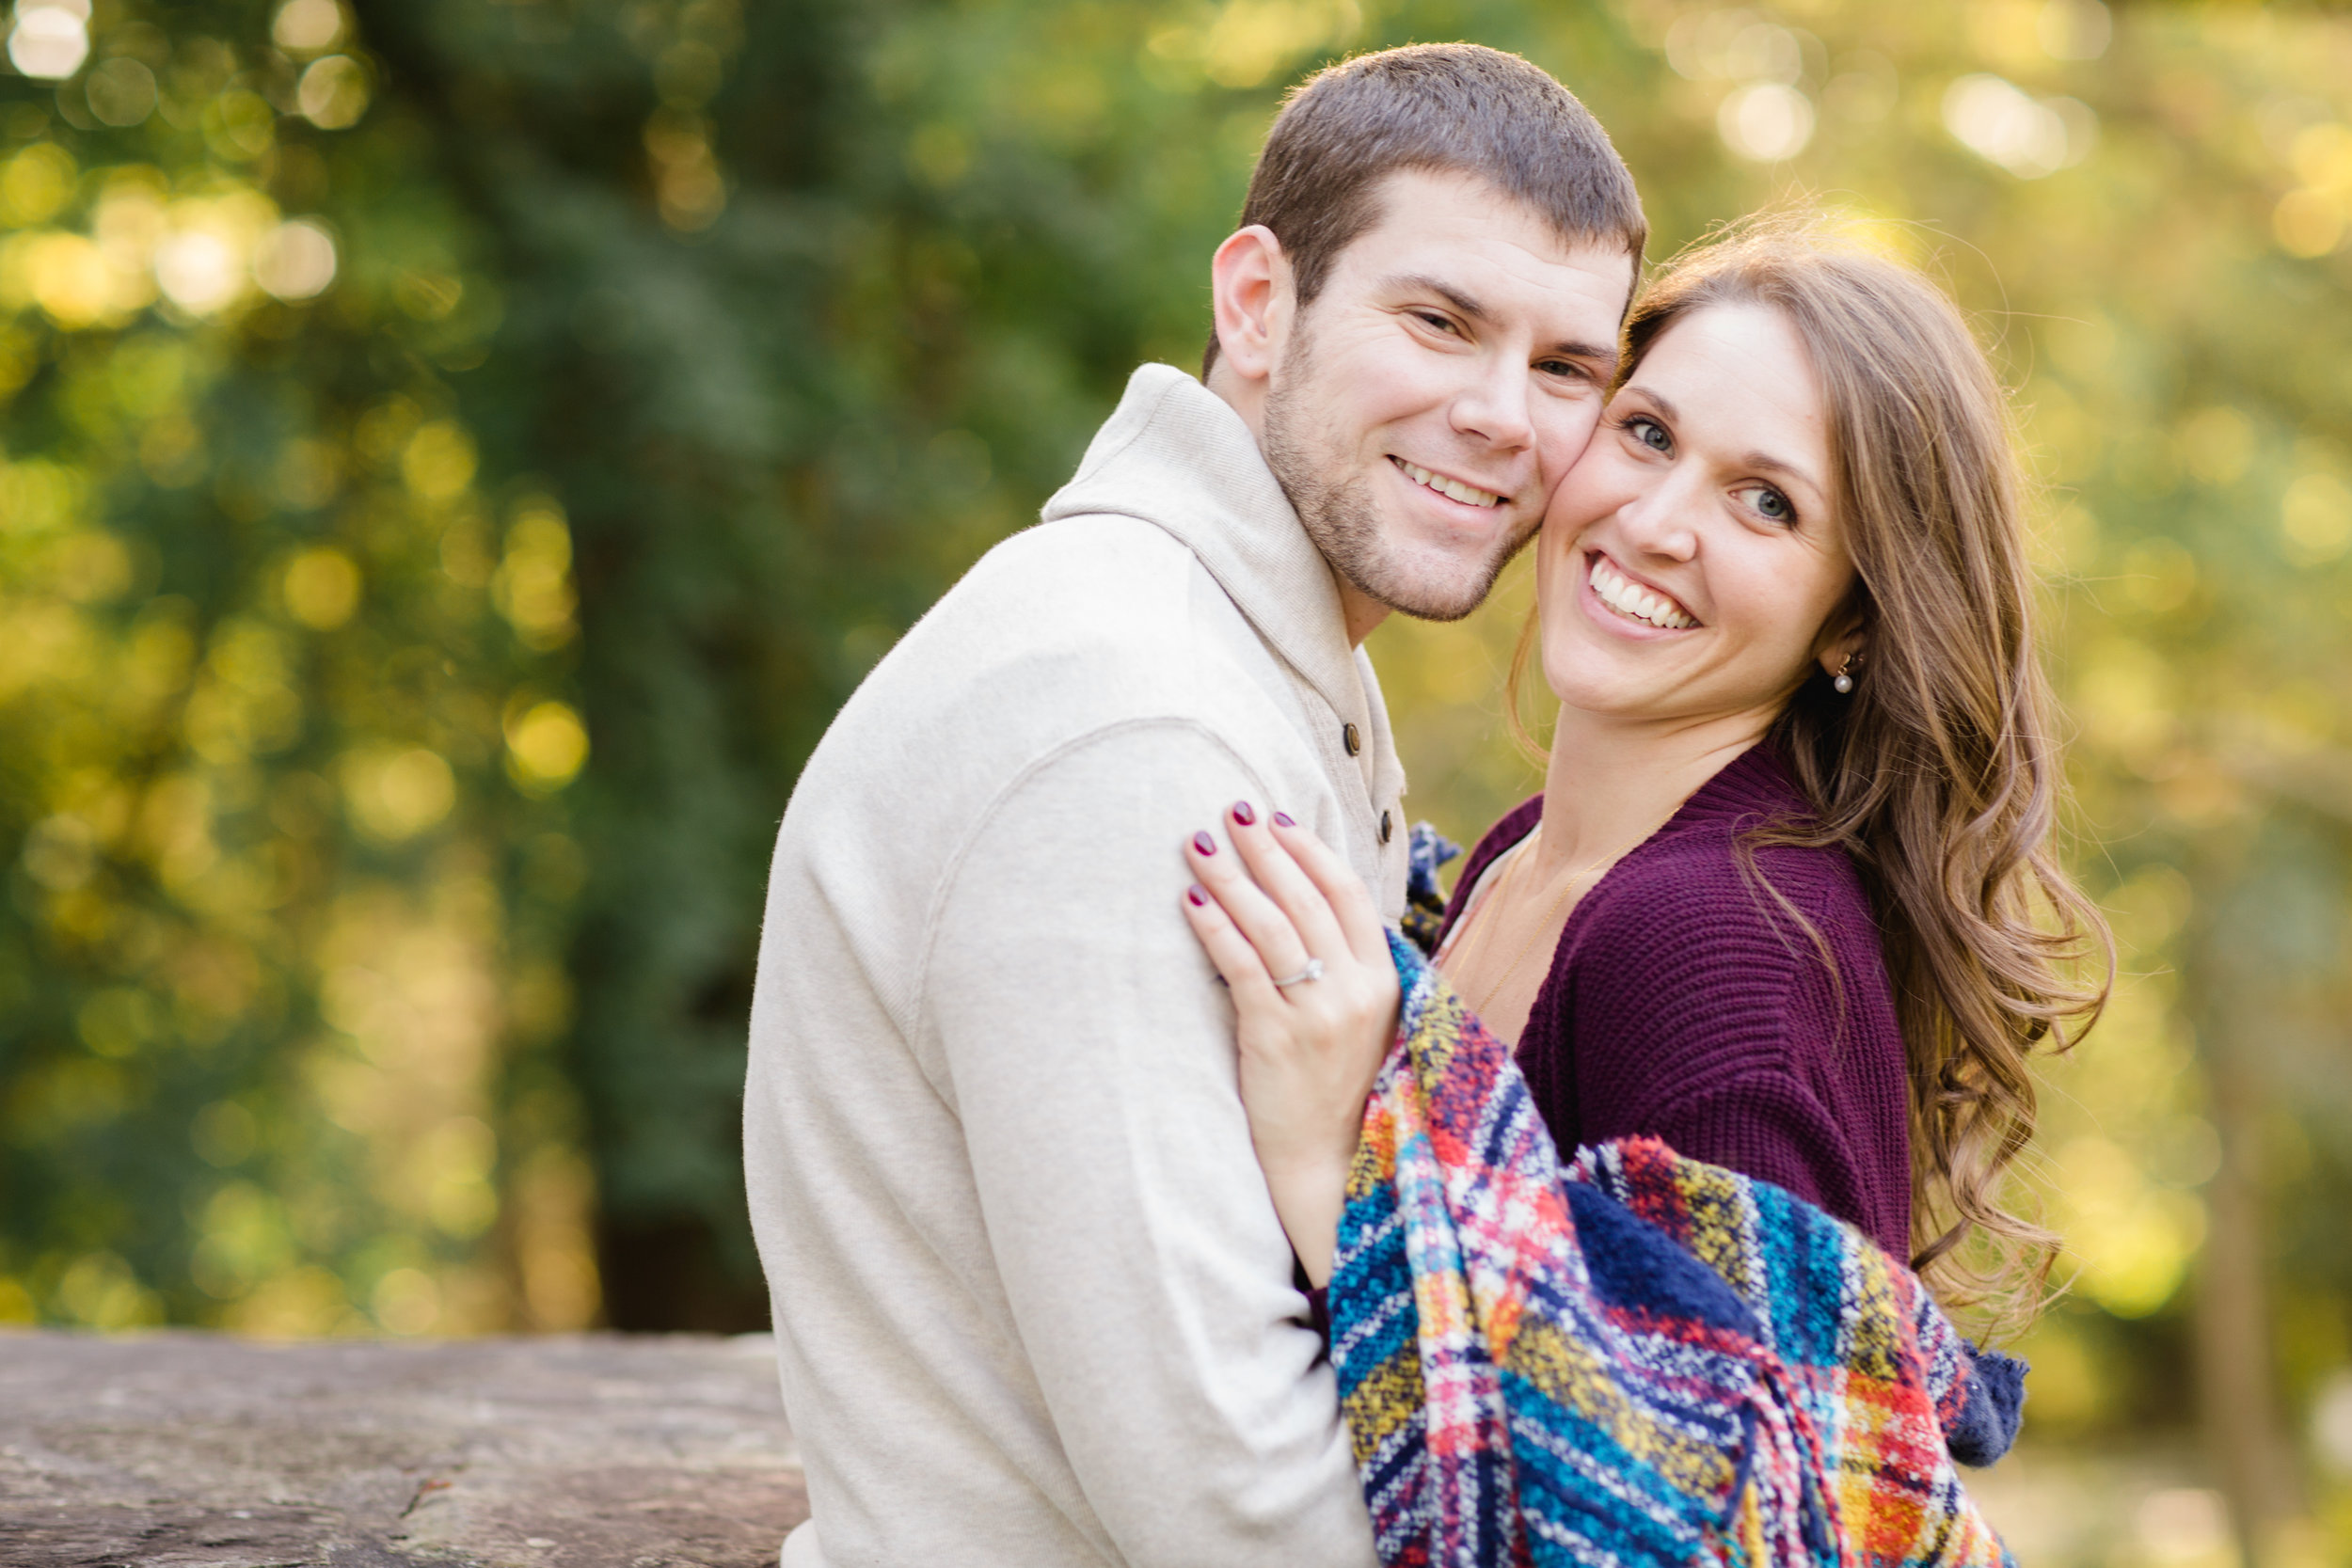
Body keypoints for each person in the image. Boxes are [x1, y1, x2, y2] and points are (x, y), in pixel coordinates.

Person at [742, 44, 1646, 1568]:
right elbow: (1233, 1501)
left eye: (1567, 368)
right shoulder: (1129, 715)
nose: (1506, 415)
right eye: (1439, 320)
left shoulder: (1261, 660)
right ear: (1257, 303)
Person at [1181, 226, 2112, 1333]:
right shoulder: (1524, 857)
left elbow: (1716, 1494)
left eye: (1767, 501)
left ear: (1852, 618)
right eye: (1646, 431)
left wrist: (1335, 1161)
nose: (1656, 522)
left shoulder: (1715, 950)